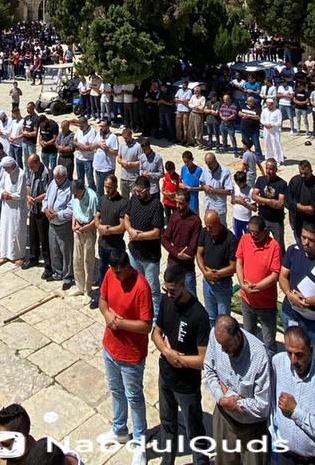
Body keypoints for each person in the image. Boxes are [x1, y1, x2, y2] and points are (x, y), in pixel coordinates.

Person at [152, 262, 209, 465]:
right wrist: (167, 353)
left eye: (173, 290)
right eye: (166, 289)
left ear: (183, 285)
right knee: (167, 423)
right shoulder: (167, 302)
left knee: (195, 430)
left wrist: (180, 360)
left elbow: (203, 360)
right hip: (166, 376)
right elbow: (156, 334)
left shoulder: (198, 315)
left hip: (186, 385)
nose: (169, 294)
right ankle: (167, 461)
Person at [97, 249, 151, 463]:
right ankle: (119, 430)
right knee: (116, 391)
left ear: (127, 267)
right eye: (114, 272)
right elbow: (102, 300)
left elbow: (146, 326)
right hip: (110, 347)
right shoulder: (110, 274)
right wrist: (107, 315)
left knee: (134, 398)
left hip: (131, 355)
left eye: (119, 272)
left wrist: (120, 323)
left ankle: (139, 443)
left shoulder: (141, 287)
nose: (116, 276)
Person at [202, 315, 273, 465]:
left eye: (227, 346)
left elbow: (263, 406)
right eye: (221, 345)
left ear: (238, 337)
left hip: (251, 427)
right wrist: (221, 398)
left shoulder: (260, 357)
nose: (222, 350)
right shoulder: (216, 336)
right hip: (224, 417)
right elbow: (209, 369)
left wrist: (234, 402)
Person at [270, 325, 315, 465]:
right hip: (284, 455)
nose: (293, 360)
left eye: (299, 354)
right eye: (289, 353)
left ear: (311, 351)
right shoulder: (278, 363)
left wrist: (296, 412)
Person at [278, 221, 315, 372]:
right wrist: (289, 294)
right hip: (292, 313)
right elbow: (283, 276)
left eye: (310, 239)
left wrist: (307, 301)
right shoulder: (293, 251)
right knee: (294, 353)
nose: (305, 242)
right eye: (303, 237)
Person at [236, 215, 282, 352]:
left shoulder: (274, 246)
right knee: (248, 336)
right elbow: (239, 261)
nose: (253, 235)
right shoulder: (245, 239)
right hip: (247, 299)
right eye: (250, 231)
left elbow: (275, 275)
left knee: (269, 342)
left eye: (256, 232)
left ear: (265, 231)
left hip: (266, 304)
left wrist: (256, 287)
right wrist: (242, 284)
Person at [123, 175, 165, 322]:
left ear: (147, 190)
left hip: (150, 256)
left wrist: (139, 236)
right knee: (136, 284)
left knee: (152, 289)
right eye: (136, 190)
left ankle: (155, 318)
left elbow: (157, 232)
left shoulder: (156, 205)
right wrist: (131, 231)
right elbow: (126, 217)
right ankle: (138, 311)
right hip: (134, 252)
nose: (137, 193)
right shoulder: (134, 199)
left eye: (140, 191)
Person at [198, 209, 238, 324]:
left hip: (222, 285)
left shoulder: (230, 239)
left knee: (223, 320)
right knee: (210, 317)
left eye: (210, 227)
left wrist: (216, 274)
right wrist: (205, 272)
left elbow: (234, 267)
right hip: (207, 282)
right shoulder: (204, 232)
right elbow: (199, 254)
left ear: (218, 223)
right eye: (207, 226)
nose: (208, 229)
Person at [161, 192, 201, 296]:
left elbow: (192, 247)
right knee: (171, 296)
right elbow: (165, 239)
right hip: (173, 264)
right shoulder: (174, 217)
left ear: (188, 203)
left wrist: (179, 252)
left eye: (181, 203)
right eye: (176, 203)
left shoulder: (195, 220)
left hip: (187, 267)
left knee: (190, 297)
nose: (178, 206)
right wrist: (176, 253)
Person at [43, 165, 74, 289]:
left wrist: (57, 214)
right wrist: (46, 209)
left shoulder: (70, 189)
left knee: (66, 251)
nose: (56, 180)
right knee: (54, 249)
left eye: (58, 178)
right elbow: (46, 199)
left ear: (64, 177)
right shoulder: (52, 183)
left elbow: (71, 210)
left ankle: (67, 276)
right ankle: (57, 272)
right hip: (52, 223)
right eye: (55, 178)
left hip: (63, 225)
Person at [70, 178, 99, 306]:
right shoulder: (74, 195)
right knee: (77, 259)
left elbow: (96, 217)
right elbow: (74, 211)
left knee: (88, 260)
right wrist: (74, 225)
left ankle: (88, 290)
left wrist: (86, 228)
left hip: (88, 230)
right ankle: (79, 287)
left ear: (82, 190)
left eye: (76, 194)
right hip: (78, 229)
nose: (75, 196)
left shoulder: (92, 197)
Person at [286, 160, 315, 242]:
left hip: (313, 225)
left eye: (305, 174)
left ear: (311, 171)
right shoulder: (295, 181)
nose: (303, 176)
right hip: (298, 222)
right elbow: (289, 200)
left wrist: (298, 207)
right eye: (301, 173)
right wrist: (301, 207)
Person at [251, 159, 288, 249]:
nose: (268, 171)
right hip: (262, 218)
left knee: (279, 245)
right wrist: (271, 202)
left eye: (271, 169)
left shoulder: (282, 184)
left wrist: (262, 200)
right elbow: (253, 196)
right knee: (262, 242)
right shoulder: (261, 180)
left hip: (276, 220)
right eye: (267, 168)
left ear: (276, 169)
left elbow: (280, 204)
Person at [0, 157, 27, 265]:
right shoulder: (6, 173)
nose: (5, 170)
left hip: (17, 208)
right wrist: (2, 193)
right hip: (6, 207)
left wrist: (9, 196)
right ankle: (5, 252)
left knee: (16, 231)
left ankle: (18, 255)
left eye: (6, 168)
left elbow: (20, 194)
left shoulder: (21, 174)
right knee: (6, 230)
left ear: (12, 166)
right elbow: (0, 187)